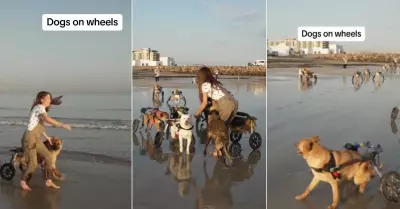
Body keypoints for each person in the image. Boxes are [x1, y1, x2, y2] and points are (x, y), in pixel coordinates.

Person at [20, 91, 72, 191]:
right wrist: (62, 125)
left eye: (50, 98)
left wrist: (47, 137)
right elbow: (47, 119)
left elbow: (39, 126)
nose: (49, 100)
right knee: (34, 164)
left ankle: (48, 180)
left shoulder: (41, 108)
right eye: (48, 98)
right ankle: (23, 181)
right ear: (41, 99)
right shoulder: (39, 107)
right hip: (29, 139)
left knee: (48, 156)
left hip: (36, 139)